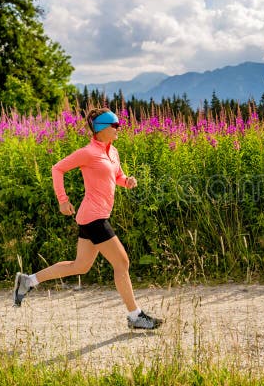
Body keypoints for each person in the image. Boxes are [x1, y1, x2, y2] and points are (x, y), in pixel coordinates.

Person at [13, 107, 163, 330]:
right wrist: (63, 200)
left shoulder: (113, 152)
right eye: (115, 125)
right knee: (122, 262)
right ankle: (135, 316)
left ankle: (28, 281)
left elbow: (117, 176)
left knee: (80, 266)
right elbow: (57, 169)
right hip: (94, 217)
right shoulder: (88, 152)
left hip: (93, 215)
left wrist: (127, 181)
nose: (118, 128)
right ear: (101, 129)